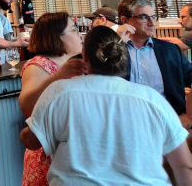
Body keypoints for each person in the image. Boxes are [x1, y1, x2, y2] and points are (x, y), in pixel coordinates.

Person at [20, 26, 192, 185]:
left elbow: (31, 141)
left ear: (84, 55)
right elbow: (184, 166)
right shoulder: (152, 99)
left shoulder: (59, 91)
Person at [17, 12, 87, 186]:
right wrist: (58, 76)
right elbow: (26, 106)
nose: (79, 34)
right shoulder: (38, 64)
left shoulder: (73, 62)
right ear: (57, 37)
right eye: (73, 30)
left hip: (71, 150)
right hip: (48, 152)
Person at [117, 0, 192, 114]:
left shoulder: (170, 50)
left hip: (167, 118)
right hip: (126, 118)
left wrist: (188, 116)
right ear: (125, 21)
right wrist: (117, 43)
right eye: (144, 18)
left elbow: (190, 77)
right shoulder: (114, 51)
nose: (152, 23)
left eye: (153, 17)